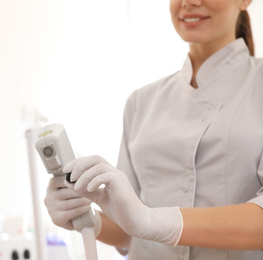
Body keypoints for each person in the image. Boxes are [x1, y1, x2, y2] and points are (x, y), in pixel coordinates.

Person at [44, 0, 263, 259]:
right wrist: (88, 218)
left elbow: (145, 221)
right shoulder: (141, 102)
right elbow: (130, 228)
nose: (189, 2)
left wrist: (151, 220)